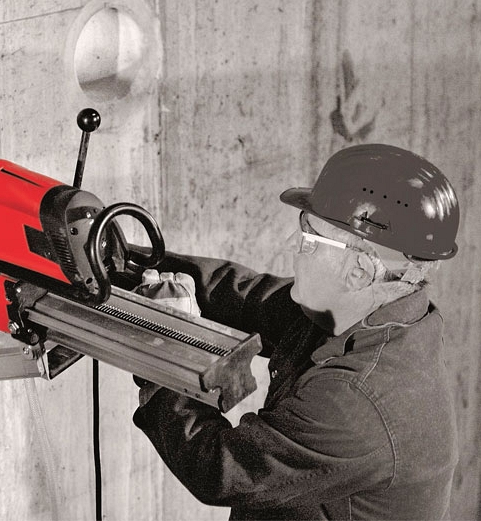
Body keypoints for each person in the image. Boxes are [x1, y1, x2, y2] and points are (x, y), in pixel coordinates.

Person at [132, 144, 460, 520]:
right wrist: (121, 259)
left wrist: (168, 343)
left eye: (308, 237)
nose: (292, 244)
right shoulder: (366, 312)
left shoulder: (358, 399)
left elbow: (218, 468)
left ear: (359, 271)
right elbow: (242, 296)